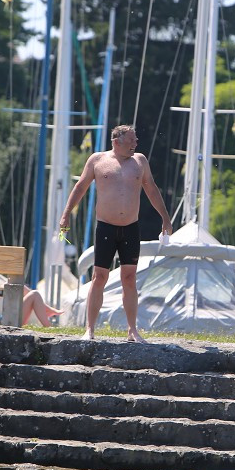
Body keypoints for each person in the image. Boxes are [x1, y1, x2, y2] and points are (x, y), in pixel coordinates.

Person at [59, 124, 172, 342]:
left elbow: (151, 189)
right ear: (117, 142)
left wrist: (165, 218)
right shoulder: (98, 160)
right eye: (131, 141)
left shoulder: (140, 161)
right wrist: (65, 215)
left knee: (129, 279)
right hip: (106, 227)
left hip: (131, 227)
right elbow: (80, 187)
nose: (135, 144)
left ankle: (132, 330)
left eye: (136, 140)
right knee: (99, 277)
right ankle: (90, 329)